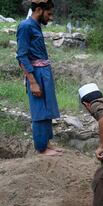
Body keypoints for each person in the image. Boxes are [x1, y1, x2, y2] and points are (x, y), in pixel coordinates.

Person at [16, 0, 62, 156]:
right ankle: (41, 148)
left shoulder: (36, 26)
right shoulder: (25, 26)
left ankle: (47, 143)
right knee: (39, 110)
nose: (51, 18)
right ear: (39, 10)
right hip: (35, 73)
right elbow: (22, 56)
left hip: (44, 72)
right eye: (49, 14)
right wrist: (33, 82)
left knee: (48, 108)